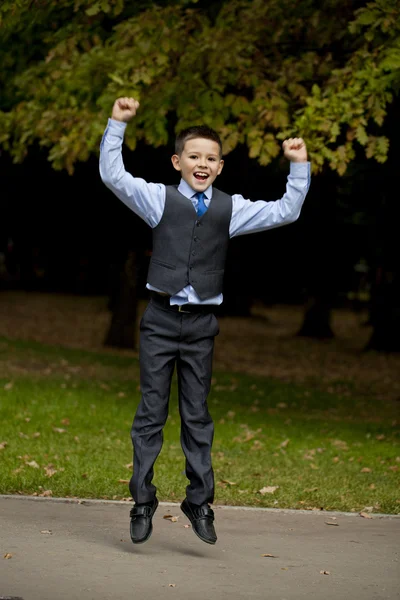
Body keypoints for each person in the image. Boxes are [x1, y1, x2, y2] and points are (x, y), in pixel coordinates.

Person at [99, 96, 311, 546]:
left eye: (211, 158)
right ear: (178, 161)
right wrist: (117, 123)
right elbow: (113, 175)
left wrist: (297, 167)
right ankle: (142, 501)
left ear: (220, 167)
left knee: (197, 416)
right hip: (159, 320)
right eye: (194, 156)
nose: (202, 163)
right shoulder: (159, 199)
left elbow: (285, 211)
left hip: (201, 327)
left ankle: (199, 501)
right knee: (150, 415)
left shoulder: (229, 209)